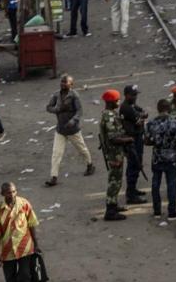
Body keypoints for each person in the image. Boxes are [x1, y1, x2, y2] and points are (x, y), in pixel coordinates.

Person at [45, 74, 94, 187]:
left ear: (71, 84)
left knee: (82, 149)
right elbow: (48, 107)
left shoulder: (74, 96)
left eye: (65, 82)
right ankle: (54, 177)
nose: (62, 84)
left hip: (72, 130)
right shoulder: (56, 95)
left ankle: (90, 164)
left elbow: (79, 111)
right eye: (61, 82)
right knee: (56, 154)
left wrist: (73, 121)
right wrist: (56, 109)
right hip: (61, 129)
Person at [0, 182, 41, 281]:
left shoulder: (24, 204)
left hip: (25, 247)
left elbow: (32, 223)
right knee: (10, 278)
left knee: (25, 276)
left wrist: (36, 244)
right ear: (2, 194)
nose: (12, 194)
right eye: (8, 193)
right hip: (7, 251)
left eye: (14, 191)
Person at [145, 98, 176, 219]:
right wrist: (175, 147)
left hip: (157, 157)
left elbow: (146, 141)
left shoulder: (150, 123)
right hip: (171, 157)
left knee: (155, 183)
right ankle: (172, 211)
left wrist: (157, 143)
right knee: (171, 184)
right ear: (169, 108)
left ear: (158, 109)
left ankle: (157, 211)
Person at [98, 89, 130, 221]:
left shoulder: (109, 114)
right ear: (111, 102)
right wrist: (128, 140)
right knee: (114, 181)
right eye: (117, 100)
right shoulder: (109, 117)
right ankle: (110, 211)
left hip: (115, 153)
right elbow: (113, 138)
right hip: (114, 153)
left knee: (116, 180)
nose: (119, 102)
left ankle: (114, 204)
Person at [119, 84, 148, 205]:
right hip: (131, 140)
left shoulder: (131, 105)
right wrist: (141, 118)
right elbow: (139, 119)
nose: (135, 97)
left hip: (137, 138)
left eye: (136, 94)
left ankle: (133, 189)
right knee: (134, 165)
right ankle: (130, 195)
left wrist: (141, 117)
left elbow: (143, 113)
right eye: (133, 95)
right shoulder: (126, 108)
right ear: (126, 95)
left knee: (137, 164)